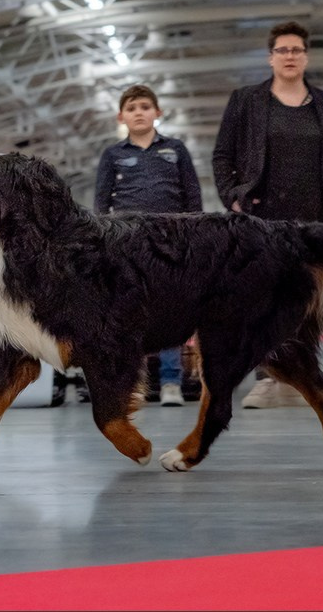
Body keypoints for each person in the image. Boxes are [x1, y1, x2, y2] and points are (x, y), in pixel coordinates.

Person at [212, 20, 323, 408]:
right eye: (282, 50)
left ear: (306, 56)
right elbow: (223, 155)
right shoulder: (246, 101)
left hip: (313, 218)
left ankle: (302, 376)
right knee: (263, 300)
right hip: (263, 217)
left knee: (308, 300)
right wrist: (234, 199)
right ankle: (266, 377)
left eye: (296, 50)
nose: (290, 56)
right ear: (270, 57)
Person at [94, 83, 203, 407]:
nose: (138, 112)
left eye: (144, 106)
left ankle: (171, 382)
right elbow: (101, 203)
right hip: (126, 244)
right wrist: (104, 242)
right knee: (129, 315)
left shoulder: (176, 149)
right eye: (132, 108)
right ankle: (135, 384)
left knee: (170, 312)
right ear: (121, 117)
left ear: (158, 113)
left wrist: (192, 237)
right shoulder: (113, 155)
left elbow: (192, 194)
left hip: (171, 243)